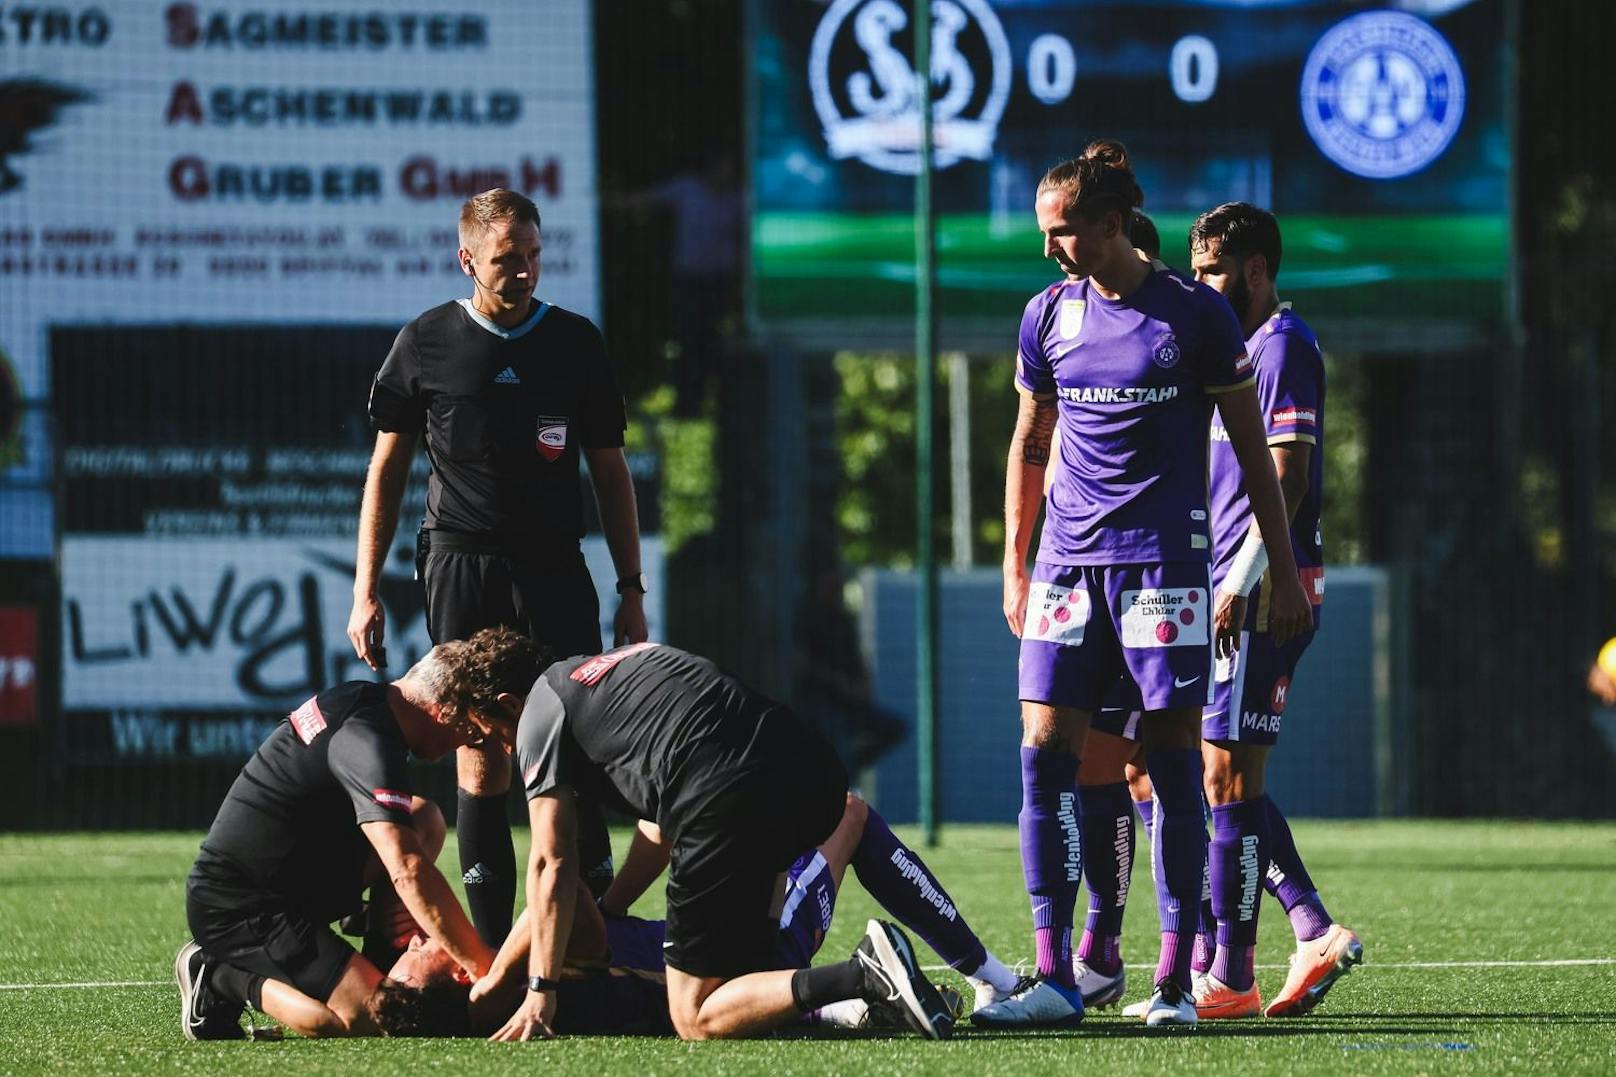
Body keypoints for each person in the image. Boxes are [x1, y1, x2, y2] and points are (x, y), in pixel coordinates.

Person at [986, 141, 1312, 1029]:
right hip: (1065, 567)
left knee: (1168, 767)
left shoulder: (1195, 316)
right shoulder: (1046, 315)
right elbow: (1028, 442)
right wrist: (1016, 563)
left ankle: (1172, 982)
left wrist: (1281, 572)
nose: (1052, 249)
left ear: (1114, 224)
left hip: (1163, 570)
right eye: (1047, 233)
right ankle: (1055, 973)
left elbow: (1254, 453)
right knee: (1042, 751)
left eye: (1065, 233)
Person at [348, 187, 647, 948]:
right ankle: (487, 957)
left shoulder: (576, 343)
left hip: (554, 567)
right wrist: (365, 589)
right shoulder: (426, 343)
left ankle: (590, 939)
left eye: (535, 256)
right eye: (508, 259)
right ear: (468, 258)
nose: (524, 272)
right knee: (479, 750)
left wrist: (631, 589)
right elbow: (386, 471)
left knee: (574, 741)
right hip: (460, 566)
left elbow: (611, 473)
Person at [488, 642, 957, 1041]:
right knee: (754, 977)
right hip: (802, 760)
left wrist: (507, 984)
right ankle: (877, 991)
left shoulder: (545, 714)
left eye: (490, 733)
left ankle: (864, 977)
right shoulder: (609, 677)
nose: (504, 751)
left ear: (509, 704)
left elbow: (554, 872)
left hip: (729, 806)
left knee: (693, 1016)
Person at [366, 792, 1019, 1037]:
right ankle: (989, 974)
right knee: (846, 811)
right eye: (421, 950)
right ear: (459, 978)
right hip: (752, 958)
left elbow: (593, 911)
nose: (425, 936)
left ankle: (831, 1011)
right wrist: (495, 968)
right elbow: (560, 903)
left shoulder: (518, 1001)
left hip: (714, 953)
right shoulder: (531, 977)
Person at [175, 627, 548, 1040]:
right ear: (443, 713)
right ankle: (216, 972)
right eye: (471, 732)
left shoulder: (373, 707)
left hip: (295, 878)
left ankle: (382, 955)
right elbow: (406, 868)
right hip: (242, 906)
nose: (468, 742)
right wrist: (484, 969)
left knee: (423, 819)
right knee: (365, 1019)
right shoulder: (367, 738)